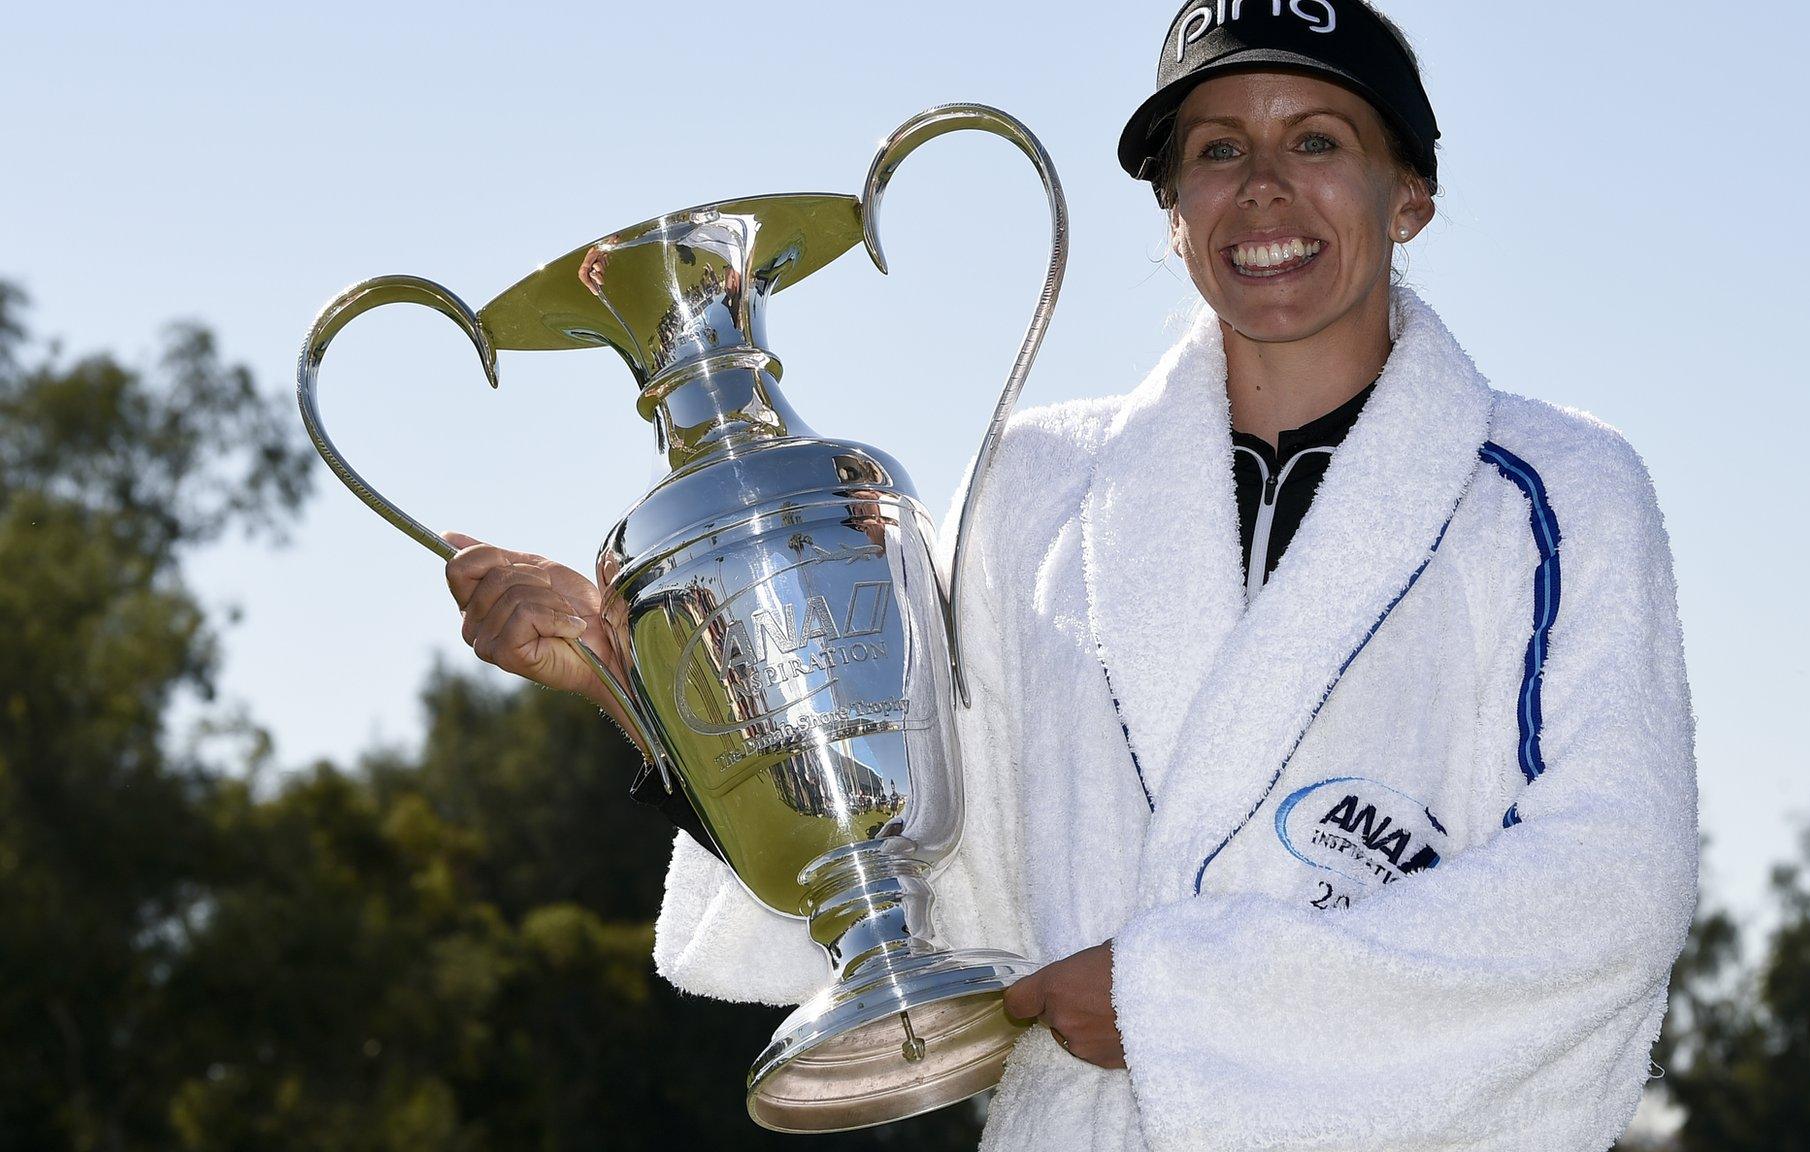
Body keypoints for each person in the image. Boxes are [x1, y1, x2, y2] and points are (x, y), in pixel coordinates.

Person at [443, 3, 1698, 1148]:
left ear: (1407, 194)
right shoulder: (1038, 490)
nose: (1262, 191)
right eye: (1214, 152)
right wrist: (637, 687)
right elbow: (922, 874)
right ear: (1170, 211)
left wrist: (1176, 999)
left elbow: (1608, 889)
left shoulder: (1556, 491)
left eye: (1315, 140)